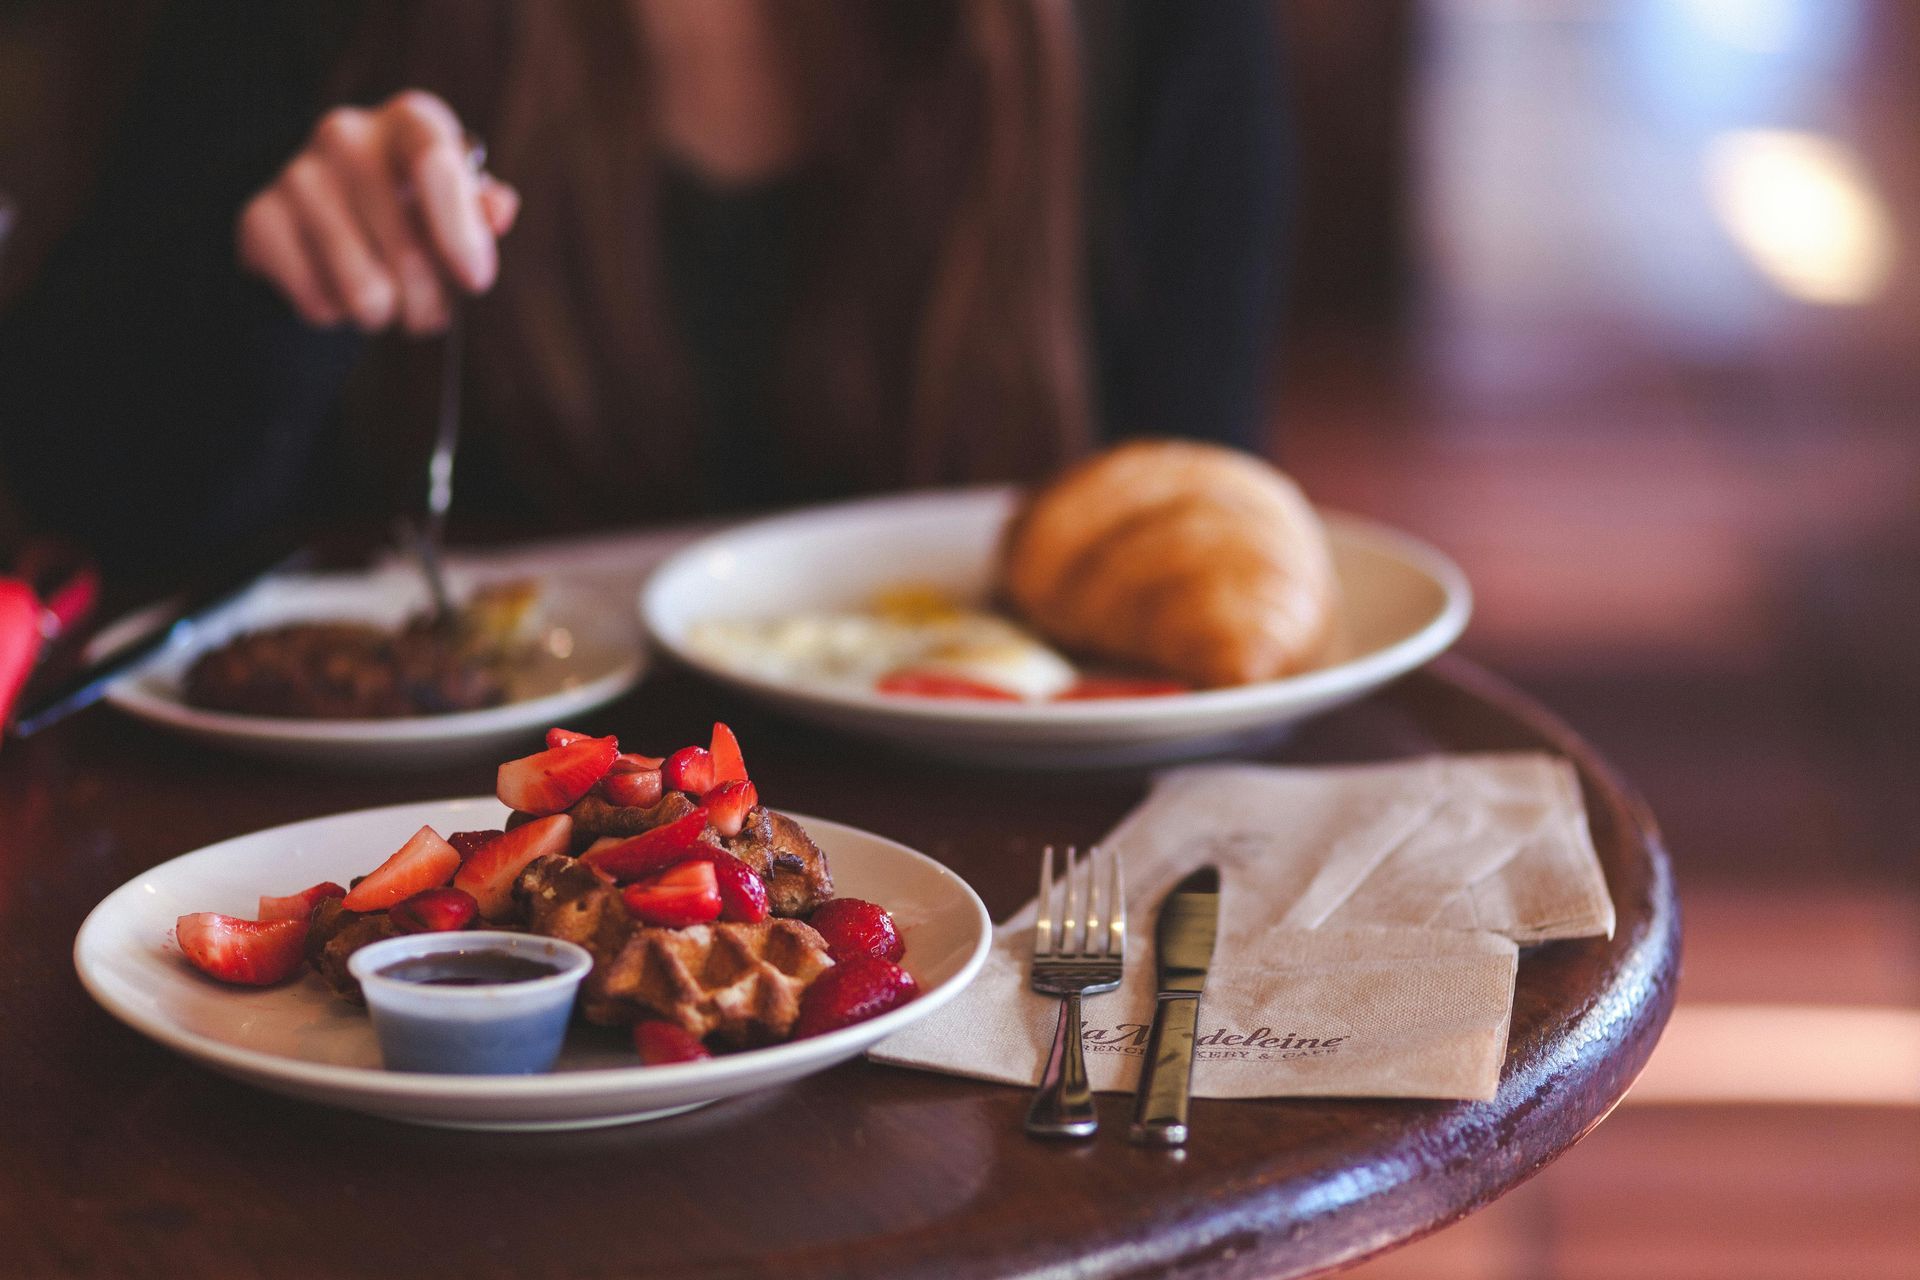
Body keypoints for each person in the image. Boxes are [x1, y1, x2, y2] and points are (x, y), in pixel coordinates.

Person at [0, 1, 1287, 575]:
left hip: (997, 901)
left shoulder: (1156, 26)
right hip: (425, 909)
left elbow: (1199, 510)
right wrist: (278, 299)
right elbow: (89, 492)